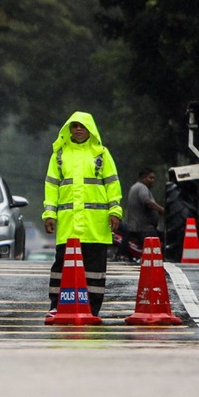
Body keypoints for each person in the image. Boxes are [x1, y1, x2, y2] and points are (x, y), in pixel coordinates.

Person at [42, 111, 121, 316]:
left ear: (90, 130)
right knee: (61, 267)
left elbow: (112, 184)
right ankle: (56, 306)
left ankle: (93, 309)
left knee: (94, 271)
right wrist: (49, 214)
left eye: (82, 126)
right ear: (68, 129)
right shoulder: (59, 155)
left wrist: (115, 211)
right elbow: (51, 187)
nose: (78, 129)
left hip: (95, 225)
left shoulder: (101, 154)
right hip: (69, 225)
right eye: (74, 126)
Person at [119, 166, 162, 261]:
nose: (152, 180)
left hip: (138, 226)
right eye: (150, 178)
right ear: (143, 177)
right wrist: (161, 210)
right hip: (143, 228)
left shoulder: (136, 187)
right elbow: (147, 201)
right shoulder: (141, 188)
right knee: (154, 250)